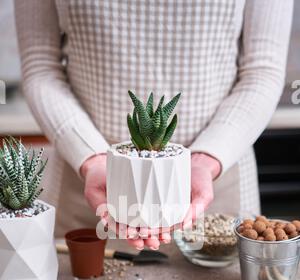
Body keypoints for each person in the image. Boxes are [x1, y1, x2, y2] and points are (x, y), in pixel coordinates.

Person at [15, 0, 293, 249]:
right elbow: (40, 64)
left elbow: (262, 70)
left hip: (214, 185)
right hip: (91, 186)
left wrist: (206, 160)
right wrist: (92, 158)